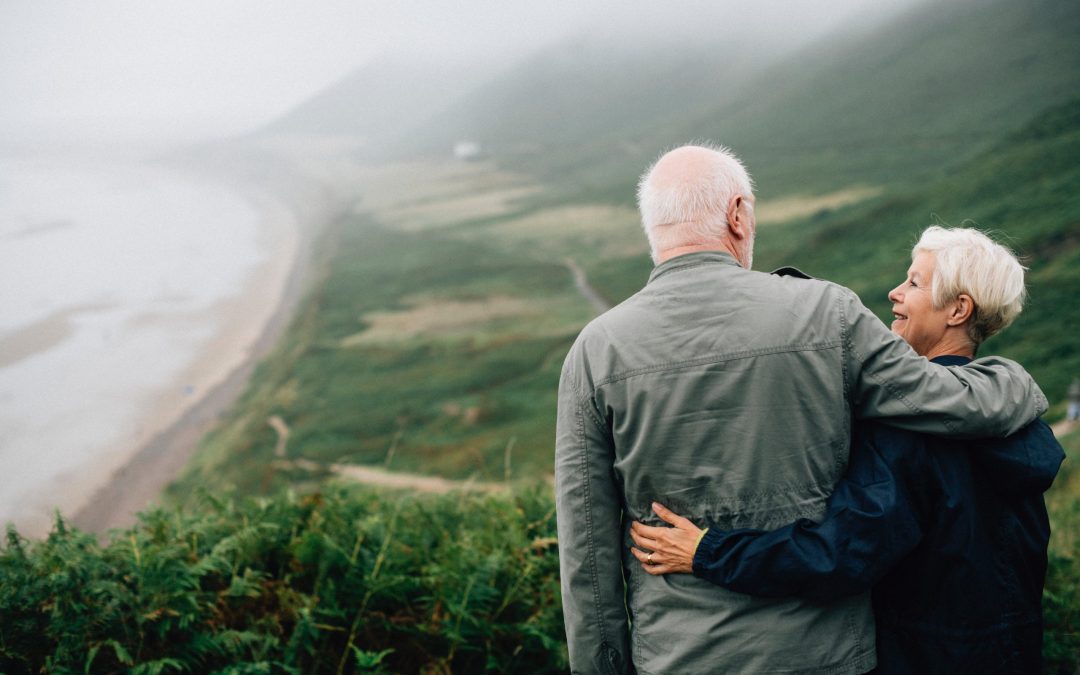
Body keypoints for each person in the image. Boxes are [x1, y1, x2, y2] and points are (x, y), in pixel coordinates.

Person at [555, 144, 1049, 674]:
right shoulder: (829, 314)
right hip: (830, 656)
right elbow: (951, 401)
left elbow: (586, 548)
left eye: (913, 282)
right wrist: (1015, 380)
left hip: (677, 657)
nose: (897, 292)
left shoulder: (594, 350)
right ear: (738, 213)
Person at [628, 226, 1064, 673]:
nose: (895, 293)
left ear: (958, 309)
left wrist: (707, 552)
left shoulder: (909, 430)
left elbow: (840, 556)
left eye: (914, 283)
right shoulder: (1018, 420)